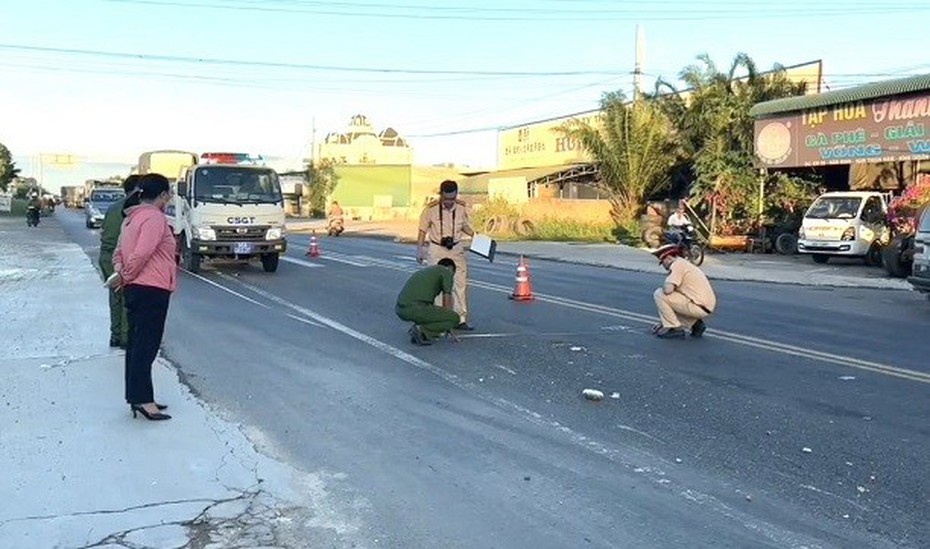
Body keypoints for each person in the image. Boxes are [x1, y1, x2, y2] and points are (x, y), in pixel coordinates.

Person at [111, 173, 177, 421]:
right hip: (152, 288)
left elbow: (119, 253)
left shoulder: (130, 218)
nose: (169, 198)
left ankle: (137, 397)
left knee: (137, 345)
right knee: (146, 348)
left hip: (136, 289)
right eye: (168, 193)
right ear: (161, 195)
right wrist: (127, 275)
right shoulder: (154, 218)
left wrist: (122, 274)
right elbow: (141, 254)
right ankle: (143, 400)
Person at [416, 180, 475, 330]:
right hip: (437, 248)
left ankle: (460, 318)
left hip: (456, 249)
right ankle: (439, 317)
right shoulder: (431, 209)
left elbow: (467, 227)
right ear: (441, 195)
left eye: (452, 199)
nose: (449, 202)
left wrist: (478, 237)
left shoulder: (461, 208)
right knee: (436, 284)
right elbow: (422, 230)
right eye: (446, 199)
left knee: (459, 283)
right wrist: (420, 249)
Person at [99, 174, 140, 348]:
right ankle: (125, 338)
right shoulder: (133, 209)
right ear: (137, 189)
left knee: (115, 298)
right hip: (121, 257)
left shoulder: (112, 208)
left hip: (106, 257)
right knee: (126, 299)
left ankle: (115, 336)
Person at [651, 243, 717, 339]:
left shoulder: (677, 265)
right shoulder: (685, 264)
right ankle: (696, 324)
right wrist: (662, 323)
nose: (663, 266)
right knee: (676, 298)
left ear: (668, 258)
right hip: (705, 306)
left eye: (662, 262)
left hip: (697, 306)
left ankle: (675, 329)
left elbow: (667, 290)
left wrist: (668, 279)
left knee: (659, 294)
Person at [395, 258, 460, 345]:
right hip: (414, 308)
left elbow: (429, 306)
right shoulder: (446, 272)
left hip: (400, 309)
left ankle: (418, 329)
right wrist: (449, 323)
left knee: (431, 311)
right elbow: (447, 299)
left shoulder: (427, 272)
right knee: (454, 318)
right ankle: (422, 330)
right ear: (450, 269)